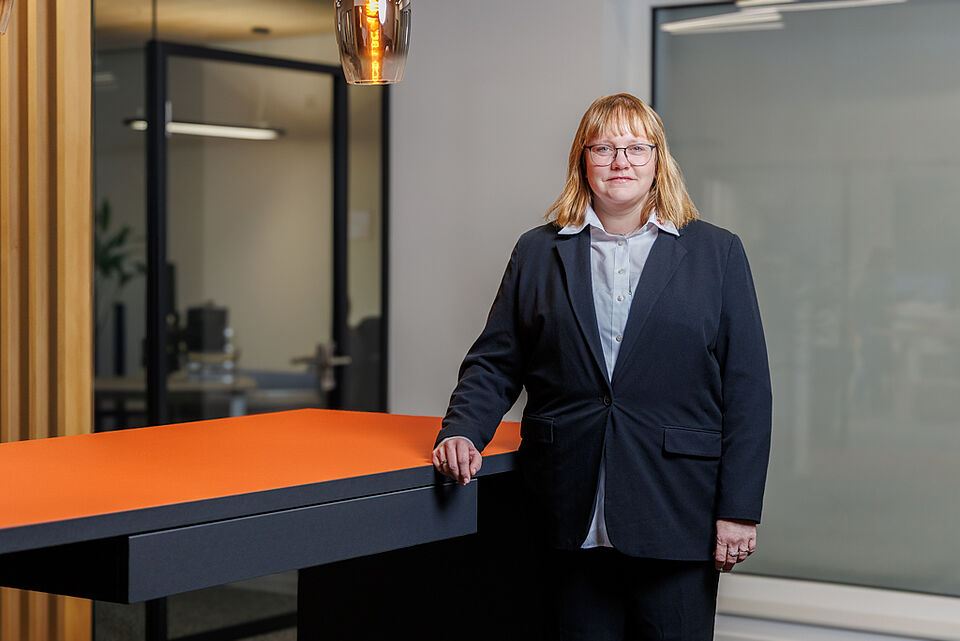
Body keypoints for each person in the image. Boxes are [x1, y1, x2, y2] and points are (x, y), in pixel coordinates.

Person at [431, 93, 772, 640]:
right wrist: (463, 430)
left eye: (636, 148)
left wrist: (739, 508)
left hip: (676, 508)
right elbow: (496, 360)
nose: (620, 162)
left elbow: (748, 390)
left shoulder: (717, 253)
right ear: (582, 160)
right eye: (604, 148)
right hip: (566, 505)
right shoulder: (538, 252)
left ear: (658, 160)